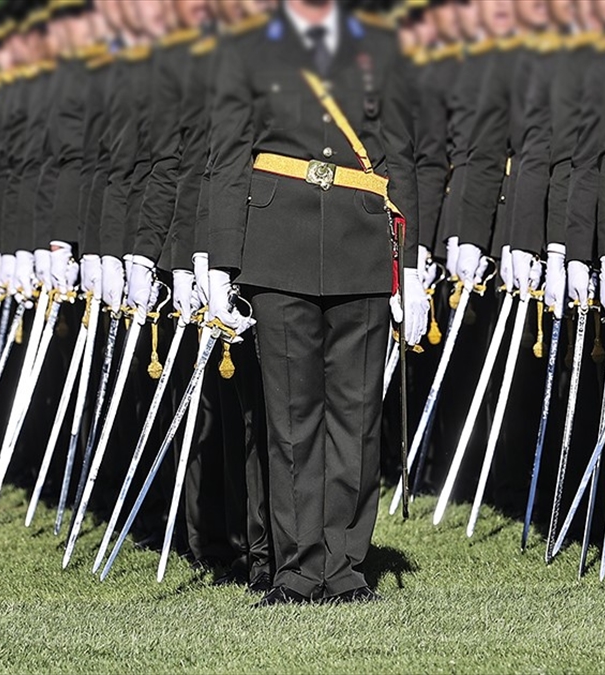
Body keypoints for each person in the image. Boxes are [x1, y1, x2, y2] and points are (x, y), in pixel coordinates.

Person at [208, 0, 427, 606]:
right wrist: (221, 264)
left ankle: (345, 565)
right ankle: (300, 566)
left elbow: (400, 157)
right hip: (277, 246)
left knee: (357, 415)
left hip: (361, 242)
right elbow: (226, 158)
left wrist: (410, 267)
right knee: (291, 416)